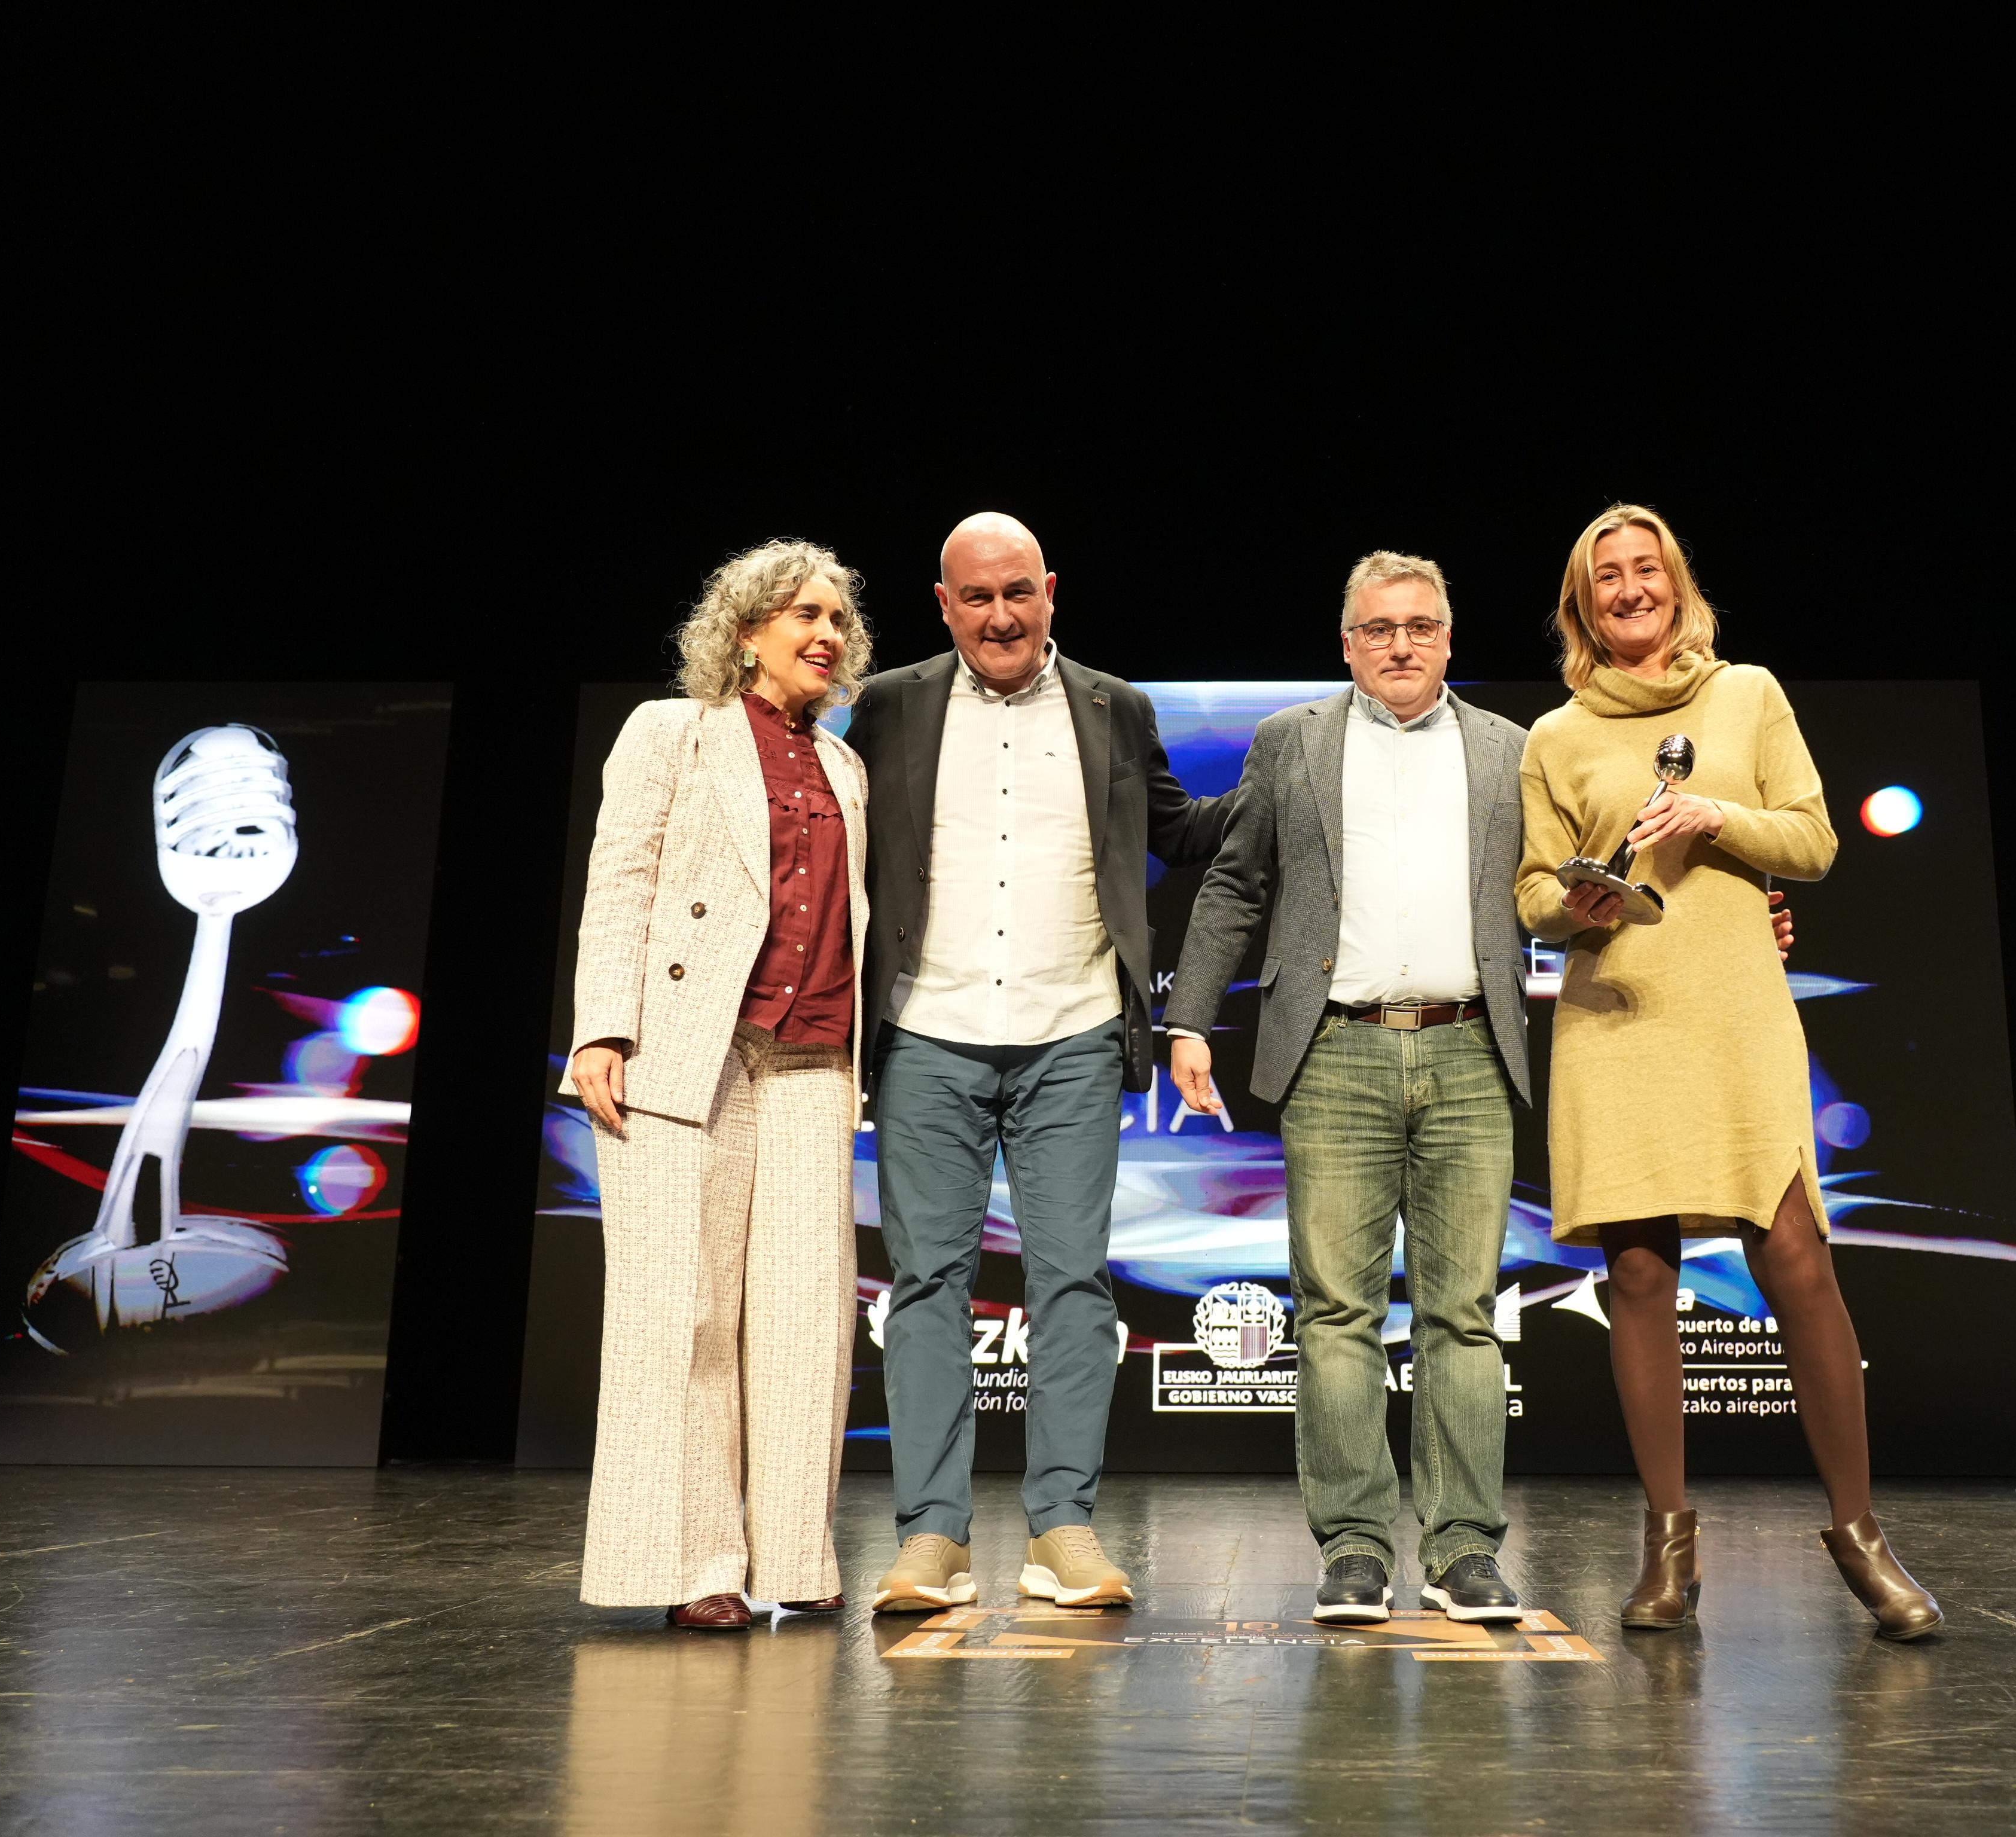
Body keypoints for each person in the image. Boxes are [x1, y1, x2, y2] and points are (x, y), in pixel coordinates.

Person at [1516, 504, 1941, 1639]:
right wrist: (1578, 902)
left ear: (1677, 585)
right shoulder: (1553, 737)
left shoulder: (1748, 695)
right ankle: (1668, 1553)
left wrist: (1718, 817)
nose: (1629, 589)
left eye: (1645, 569)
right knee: (1642, 1277)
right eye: (1605, 577)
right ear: (1582, 604)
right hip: (1615, 1016)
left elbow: (1814, 839)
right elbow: (1529, 896)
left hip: (1737, 1013)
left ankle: (1861, 1537)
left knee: (1794, 1254)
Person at [840, 512, 1227, 1613]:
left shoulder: (1115, 707)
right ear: (944, 604)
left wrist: (1301, 784)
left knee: (1070, 1287)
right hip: (927, 1037)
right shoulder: (891, 708)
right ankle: (932, 1539)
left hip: (1072, 1034)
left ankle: (1062, 1529)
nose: (1001, 615)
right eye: (978, 598)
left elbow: (1178, 832)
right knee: (927, 1287)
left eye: (1019, 591)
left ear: (1051, 589)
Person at [1163, 551, 1534, 1624]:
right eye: (1380, 629)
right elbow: (1237, 882)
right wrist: (1189, 1016)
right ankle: (1357, 1549)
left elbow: (1555, 894)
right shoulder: (1292, 742)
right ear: (1347, 643)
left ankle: (1463, 1549)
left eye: (1421, 625)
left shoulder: (1511, 751)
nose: (1402, 644)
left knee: (1463, 1315)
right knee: (1336, 1314)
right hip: (1335, 1052)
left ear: (1450, 638)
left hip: (1469, 1051)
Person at [565, 541, 874, 1628]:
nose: (826, 633)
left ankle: (795, 1558)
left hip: (809, 1056)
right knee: (682, 1316)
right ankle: (698, 1570)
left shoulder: (844, 767)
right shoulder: (672, 733)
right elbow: (621, 880)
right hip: (684, 1052)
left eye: (837, 616)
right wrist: (602, 1028)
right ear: (746, 631)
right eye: (802, 613)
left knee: (805, 1320)